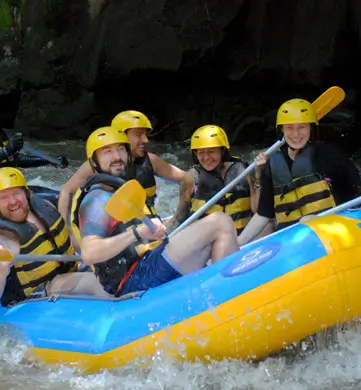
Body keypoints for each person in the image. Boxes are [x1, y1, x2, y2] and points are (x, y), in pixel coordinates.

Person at [70, 126, 240, 297]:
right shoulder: (96, 200)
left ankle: (220, 296)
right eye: (107, 152)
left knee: (208, 230)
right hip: (135, 278)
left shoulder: (118, 189)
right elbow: (90, 253)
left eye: (121, 149)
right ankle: (227, 298)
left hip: (149, 262)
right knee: (220, 222)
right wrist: (137, 233)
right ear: (94, 162)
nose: (117, 157)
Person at [237, 99, 361, 245]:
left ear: (311, 128)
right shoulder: (272, 164)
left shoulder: (329, 154)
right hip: (290, 239)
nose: (296, 134)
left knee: (306, 220)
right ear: (281, 130)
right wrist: (236, 245)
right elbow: (263, 214)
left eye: (302, 127)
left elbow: (360, 191)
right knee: (263, 231)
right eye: (289, 128)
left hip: (330, 232)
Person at [0, 167, 111, 307]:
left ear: (26, 193)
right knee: (93, 281)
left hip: (67, 271)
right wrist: (0, 272)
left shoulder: (44, 206)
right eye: (4, 198)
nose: (13, 201)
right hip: (36, 293)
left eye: (16, 193)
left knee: (110, 267)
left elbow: (68, 237)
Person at [57, 110, 184, 224]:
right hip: (116, 230)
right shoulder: (97, 165)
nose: (146, 140)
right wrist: (67, 230)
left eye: (146, 135)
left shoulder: (151, 160)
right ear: (121, 136)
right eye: (139, 135)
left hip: (147, 224)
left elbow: (186, 178)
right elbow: (66, 192)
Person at [168, 125, 260, 235]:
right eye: (200, 152)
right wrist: (164, 237)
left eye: (211, 151)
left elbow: (257, 210)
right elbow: (180, 217)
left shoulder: (244, 171)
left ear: (222, 151)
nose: (206, 158)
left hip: (243, 238)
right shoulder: (191, 178)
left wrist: (258, 175)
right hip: (208, 242)